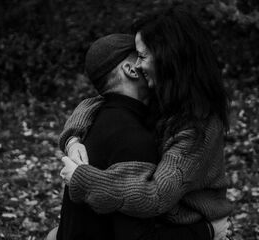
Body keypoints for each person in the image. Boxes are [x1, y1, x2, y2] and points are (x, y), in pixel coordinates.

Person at [60, 7, 233, 240]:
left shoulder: (196, 125)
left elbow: (155, 195)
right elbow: (97, 102)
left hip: (191, 223)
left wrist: (84, 179)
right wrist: (72, 139)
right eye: (137, 57)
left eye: (143, 56)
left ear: (168, 57)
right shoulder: (164, 97)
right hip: (165, 219)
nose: (138, 66)